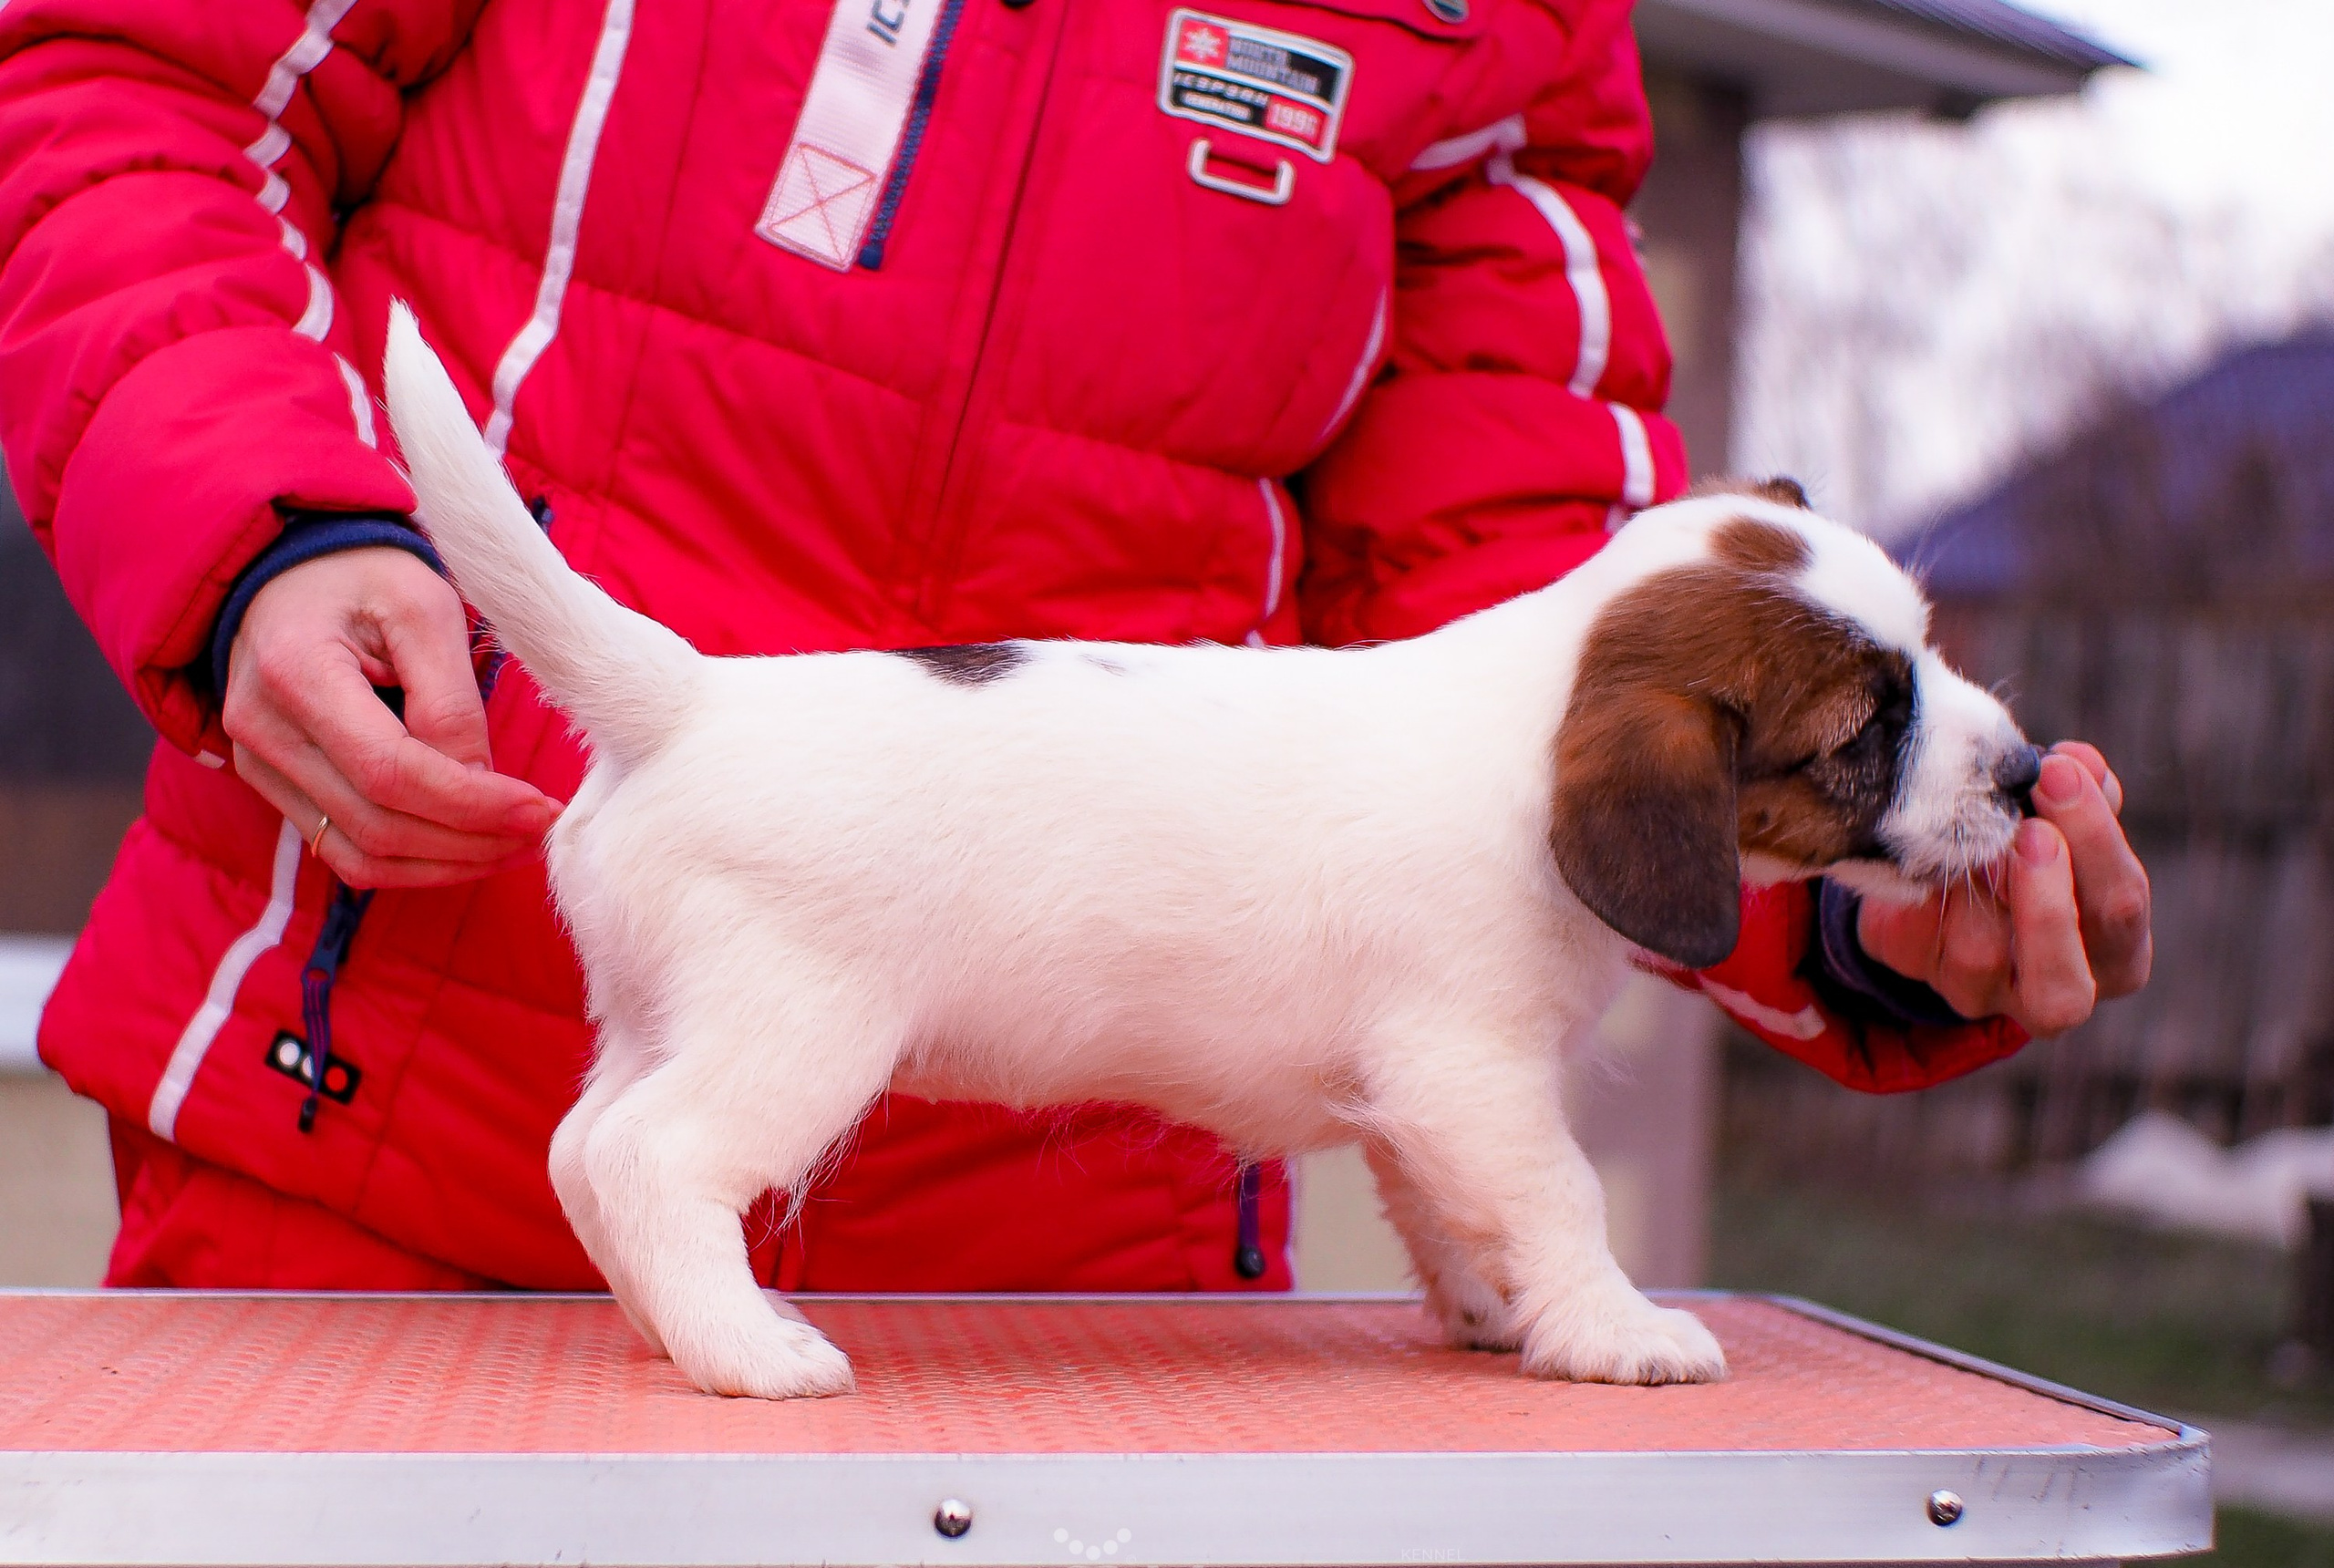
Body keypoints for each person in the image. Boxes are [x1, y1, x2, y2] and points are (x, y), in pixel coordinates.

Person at [0, 0, 2149, 1295]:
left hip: (1070, 1251)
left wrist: (1855, 897)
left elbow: (1520, 609)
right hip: (388, 1113)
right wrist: (261, 530)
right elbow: (129, 83)